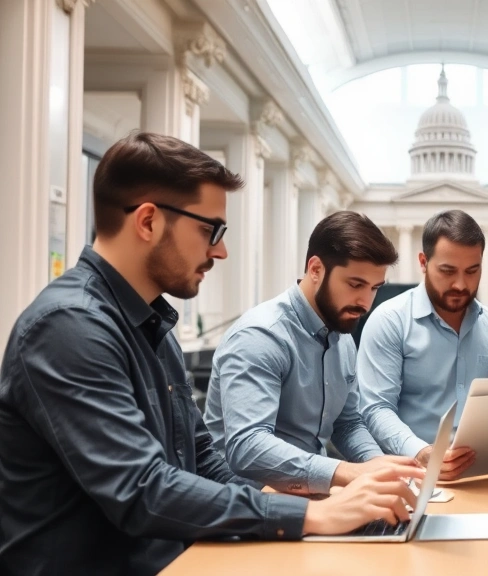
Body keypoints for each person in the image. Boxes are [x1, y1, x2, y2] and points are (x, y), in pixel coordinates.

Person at [0, 132, 422, 576]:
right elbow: (142, 488)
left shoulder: (152, 325)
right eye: (210, 230)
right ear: (147, 222)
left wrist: (309, 510)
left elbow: (200, 457)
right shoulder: (69, 327)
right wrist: (311, 515)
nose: (221, 250)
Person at [203, 211, 418, 495]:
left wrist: (378, 465)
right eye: (355, 285)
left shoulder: (342, 337)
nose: (365, 302)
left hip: (312, 496)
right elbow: (248, 446)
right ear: (315, 269)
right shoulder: (260, 335)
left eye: (374, 288)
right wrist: (348, 473)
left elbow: (347, 422)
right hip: (246, 505)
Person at [357, 210, 488, 480]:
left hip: (484, 479)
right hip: (410, 478)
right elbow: (376, 409)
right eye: (447, 271)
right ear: (423, 262)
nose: (461, 284)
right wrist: (423, 452)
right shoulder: (389, 321)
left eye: (472, 271)